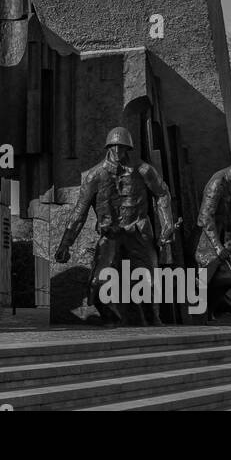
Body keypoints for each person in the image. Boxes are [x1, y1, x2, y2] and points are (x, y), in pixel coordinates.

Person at [54, 126, 174, 326]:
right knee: (98, 282)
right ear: (108, 147)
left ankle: (153, 318)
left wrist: (167, 225)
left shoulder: (144, 170)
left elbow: (162, 194)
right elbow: (79, 213)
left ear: (129, 148)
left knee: (150, 280)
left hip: (138, 232)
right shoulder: (94, 176)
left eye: (123, 147)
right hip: (110, 234)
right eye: (114, 147)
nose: (118, 151)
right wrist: (65, 244)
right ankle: (112, 318)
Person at [194, 145, 231, 322]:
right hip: (206, 236)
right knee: (208, 278)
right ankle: (203, 311)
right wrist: (216, 246)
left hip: (223, 235)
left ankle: (211, 310)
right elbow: (205, 216)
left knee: (227, 278)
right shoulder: (219, 181)